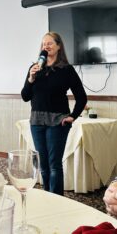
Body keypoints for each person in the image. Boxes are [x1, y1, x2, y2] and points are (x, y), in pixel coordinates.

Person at [21, 32, 87, 195]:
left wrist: (73, 116)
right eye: (44, 44)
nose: (46, 46)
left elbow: (81, 97)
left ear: (58, 46)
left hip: (58, 121)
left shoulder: (67, 70)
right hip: (37, 121)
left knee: (54, 164)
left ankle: (57, 199)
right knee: (43, 165)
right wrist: (31, 78)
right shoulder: (35, 68)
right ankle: (47, 198)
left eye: (50, 43)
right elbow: (25, 96)